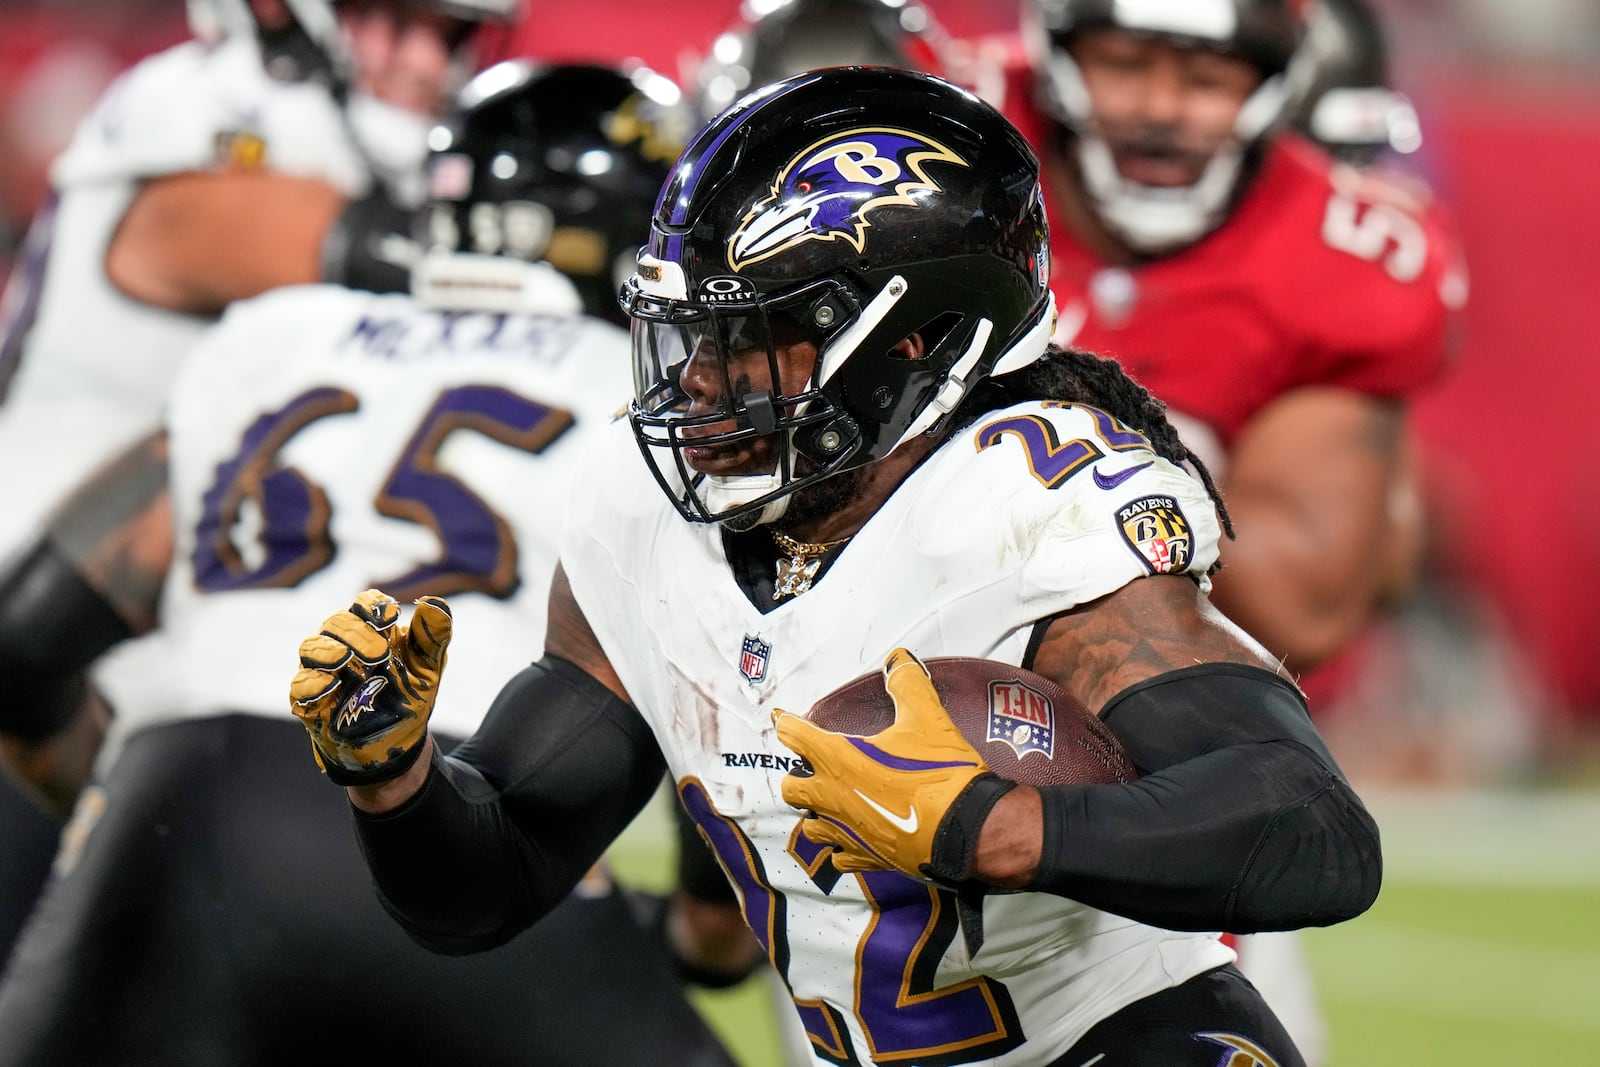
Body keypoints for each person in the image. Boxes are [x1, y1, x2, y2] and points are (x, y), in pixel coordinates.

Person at [287, 67, 1382, 1067]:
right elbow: (484, 887)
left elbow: (1312, 824)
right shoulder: (643, 508)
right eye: (687, 336)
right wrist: (394, 778)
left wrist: (997, 825)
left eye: (751, 337)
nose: (700, 383)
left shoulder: (1023, 504)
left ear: (912, 341)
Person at [0, 60, 752, 1066]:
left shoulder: (273, 336)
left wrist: (131, 795)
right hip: (447, 808)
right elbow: (708, 686)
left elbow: (22, 643)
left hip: (175, 806)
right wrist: (709, 926)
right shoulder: (637, 397)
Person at [0, 0, 514, 963]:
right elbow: (317, 243)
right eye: (391, 20)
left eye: (451, 33)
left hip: (126, 673)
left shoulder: (362, 141)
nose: (425, 62)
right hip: (41, 631)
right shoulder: (208, 102)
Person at [1006, 3, 1466, 1057]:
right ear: (1057, 51)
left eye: (1205, 77)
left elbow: (1309, 596)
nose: (1162, 109)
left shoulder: (1346, 253)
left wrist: (1072, 455)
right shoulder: (945, 138)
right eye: (1125, 62)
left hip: (1157, 769)